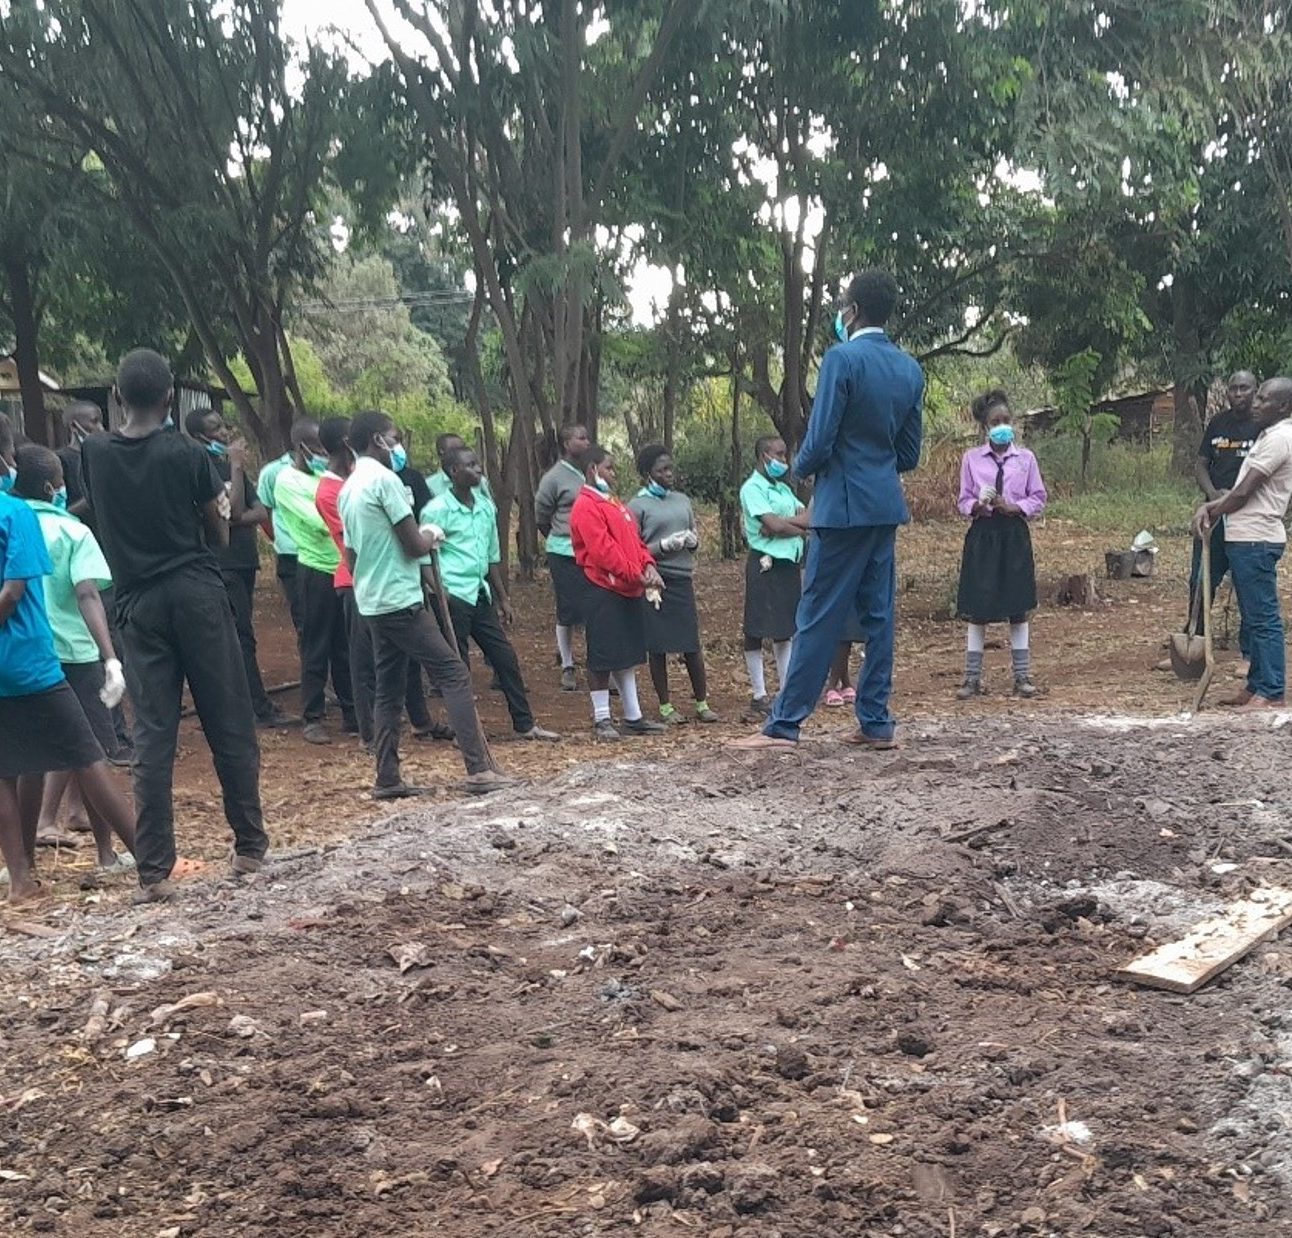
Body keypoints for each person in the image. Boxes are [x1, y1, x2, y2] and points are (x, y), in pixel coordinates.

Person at [81, 350, 269, 902]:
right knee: (227, 717)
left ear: (116, 397)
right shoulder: (187, 453)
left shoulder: (93, 451)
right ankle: (250, 846)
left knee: (153, 734)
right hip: (196, 594)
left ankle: (153, 870)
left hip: (136, 604)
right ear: (170, 399)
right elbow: (221, 532)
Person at [731, 269, 924, 752]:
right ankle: (876, 722)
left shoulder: (842, 359)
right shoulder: (909, 369)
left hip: (840, 508)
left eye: (842, 307)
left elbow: (818, 439)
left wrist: (806, 467)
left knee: (816, 611)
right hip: (883, 504)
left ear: (852, 311)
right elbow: (910, 454)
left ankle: (784, 725)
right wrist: (874, 463)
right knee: (879, 615)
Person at [338, 409, 513, 798]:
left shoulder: (350, 486)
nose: (398, 446)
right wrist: (432, 533)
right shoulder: (385, 482)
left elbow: (350, 554)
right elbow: (414, 544)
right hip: (400, 600)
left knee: (388, 687)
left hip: (372, 600)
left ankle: (387, 776)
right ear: (376, 440)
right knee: (453, 673)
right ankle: (478, 768)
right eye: (394, 437)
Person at [0, 418, 136, 903]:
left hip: (12, 667)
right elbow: (72, 593)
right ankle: (138, 859)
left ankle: (22, 874)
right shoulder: (40, 522)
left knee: (13, 767)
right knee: (90, 754)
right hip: (48, 659)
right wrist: (111, 657)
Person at [315, 416, 447, 749]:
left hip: (387, 582)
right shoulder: (338, 490)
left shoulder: (356, 483)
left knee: (397, 667)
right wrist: (425, 535)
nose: (398, 446)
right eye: (394, 438)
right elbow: (355, 544)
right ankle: (369, 734)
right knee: (366, 664)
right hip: (363, 583)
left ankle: (415, 724)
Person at [422, 445, 560, 741]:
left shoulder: (485, 507)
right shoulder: (437, 510)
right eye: (471, 465)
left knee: (504, 657)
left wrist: (503, 597)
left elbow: (490, 557)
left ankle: (524, 724)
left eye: (478, 463)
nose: (479, 469)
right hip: (452, 596)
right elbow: (423, 558)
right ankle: (465, 731)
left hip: (479, 593)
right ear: (453, 472)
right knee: (458, 666)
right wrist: (439, 591)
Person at [186, 407, 291, 729]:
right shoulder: (202, 467)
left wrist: (234, 516)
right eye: (216, 428)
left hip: (244, 561)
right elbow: (228, 511)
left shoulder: (232, 470)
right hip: (222, 564)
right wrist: (234, 467)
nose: (225, 432)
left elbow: (258, 512)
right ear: (200, 435)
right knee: (237, 637)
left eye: (223, 425)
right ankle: (255, 709)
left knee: (242, 635)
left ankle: (246, 706)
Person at [1193, 377, 1292, 710]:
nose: (1256, 403)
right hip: (1244, 537)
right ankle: (1255, 687)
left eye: (1263, 399)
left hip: (1256, 538)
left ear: (1283, 407)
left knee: (1263, 619)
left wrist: (1211, 508)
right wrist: (1214, 507)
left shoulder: (1280, 439)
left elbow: (1244, 491)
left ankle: (1273, 690)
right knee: (1252, 615)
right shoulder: (1269, 434)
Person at [953, 390, 1048, 700]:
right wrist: (976, 507)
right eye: (996, 421)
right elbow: (963, 499)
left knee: (1017, 607)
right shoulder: (971, 459)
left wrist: (1016, 507)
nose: (1003, 426)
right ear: (985, 426)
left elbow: (1038, 497)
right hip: (983, 535)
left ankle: (1022, 676)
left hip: (1014, 536)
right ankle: (972, 678)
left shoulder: (1026, 459)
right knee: (977, 608)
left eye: (1007, 420)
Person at [569, 446, 667, 740]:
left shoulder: (612, 502)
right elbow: (603, 551)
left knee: (626, 652)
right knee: (602, 654)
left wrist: (648, 565)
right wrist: (635, 573)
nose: (614, 473)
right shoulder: (585, 506)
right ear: (592, 470)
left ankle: (633, 715)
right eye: (609, 468)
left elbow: (634, 541)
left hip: (628, 585)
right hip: (602, 587)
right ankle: (601, 718)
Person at [57, 399, 133, 759]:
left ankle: (118, 731)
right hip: (78, 572)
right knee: (101, 650)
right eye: (94, 422)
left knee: (118, 646)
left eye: (102, 421)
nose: (101, 428)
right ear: (75, 426)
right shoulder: (62, 462)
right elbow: (58, 513)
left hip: (109, 564)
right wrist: (91, 499)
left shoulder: (104, 456)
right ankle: (109, 738)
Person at [273, 418, 355, 744]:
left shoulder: (325, 477)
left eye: (325, 447)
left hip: (341, 567)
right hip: (315, 569)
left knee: (345, 646)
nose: (323, 453)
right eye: (317, 448)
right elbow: (322, 521)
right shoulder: (287, 481)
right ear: (301, 446)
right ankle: (313, 716)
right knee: (315, 645)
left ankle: (352, 713)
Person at [627, 444, 718, 724]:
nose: (668, 474)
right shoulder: (637, 506)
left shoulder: (682, 500)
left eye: (670, 468)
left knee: (691, 643)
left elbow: (693, 535)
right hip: (655, 581)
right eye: (661, 470)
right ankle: (665, 706)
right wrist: (662, 546)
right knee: (658, 645)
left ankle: (702, 703)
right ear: (647, 474)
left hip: (681, 578)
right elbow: (635, 548)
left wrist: (692, 541)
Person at [1187, 371, 1259, 659]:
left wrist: (1232, 497)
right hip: (1213, 514)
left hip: (1247, 517)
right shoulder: (1217, 424)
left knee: (1245, 586)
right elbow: (1201, 464)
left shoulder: (1264, 427)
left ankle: (1248, 654)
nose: (1238, 394)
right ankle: (1195, 646)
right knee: (1200, 579)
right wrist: (1214, 493)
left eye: (1244, 388)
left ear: (1255, 390)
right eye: (1233, 389)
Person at [738, 436, 808, 719]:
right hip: (765, 564)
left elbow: (809, 516)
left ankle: (785, 689)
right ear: (763, 454)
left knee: (784, 628)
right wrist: (785, 525)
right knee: (756, 627)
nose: (784, 460)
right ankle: (758, 693)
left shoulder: (782, 488)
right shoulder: (752, 488)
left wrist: (785, 526)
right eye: (778, 454)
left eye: (785, 454)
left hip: (788, 563)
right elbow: (771, 525)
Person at [536, 423, 593, 691]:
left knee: (596, 607)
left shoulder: (591, 471)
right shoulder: (554, 477)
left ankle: (600, 665)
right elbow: (542, 516)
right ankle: (567, 664)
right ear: (567, 444)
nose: (586, 441)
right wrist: (560, 536)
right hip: (564, 552)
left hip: (593, 551)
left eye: (587, 437)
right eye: (580, 438)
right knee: (568, 610)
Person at [257, 443, 304, 635]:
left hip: (328, 556)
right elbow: (264, 510)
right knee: (303, 619)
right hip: (291, 554)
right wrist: (279, 540)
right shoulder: (273, 472)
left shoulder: (328, 470)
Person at [428, 432, 493, 502]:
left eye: (462, 449)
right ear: (441, 452)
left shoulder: (478, 480)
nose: (460, 453)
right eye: (454, 450)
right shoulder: (430, 485)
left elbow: (491, 508)